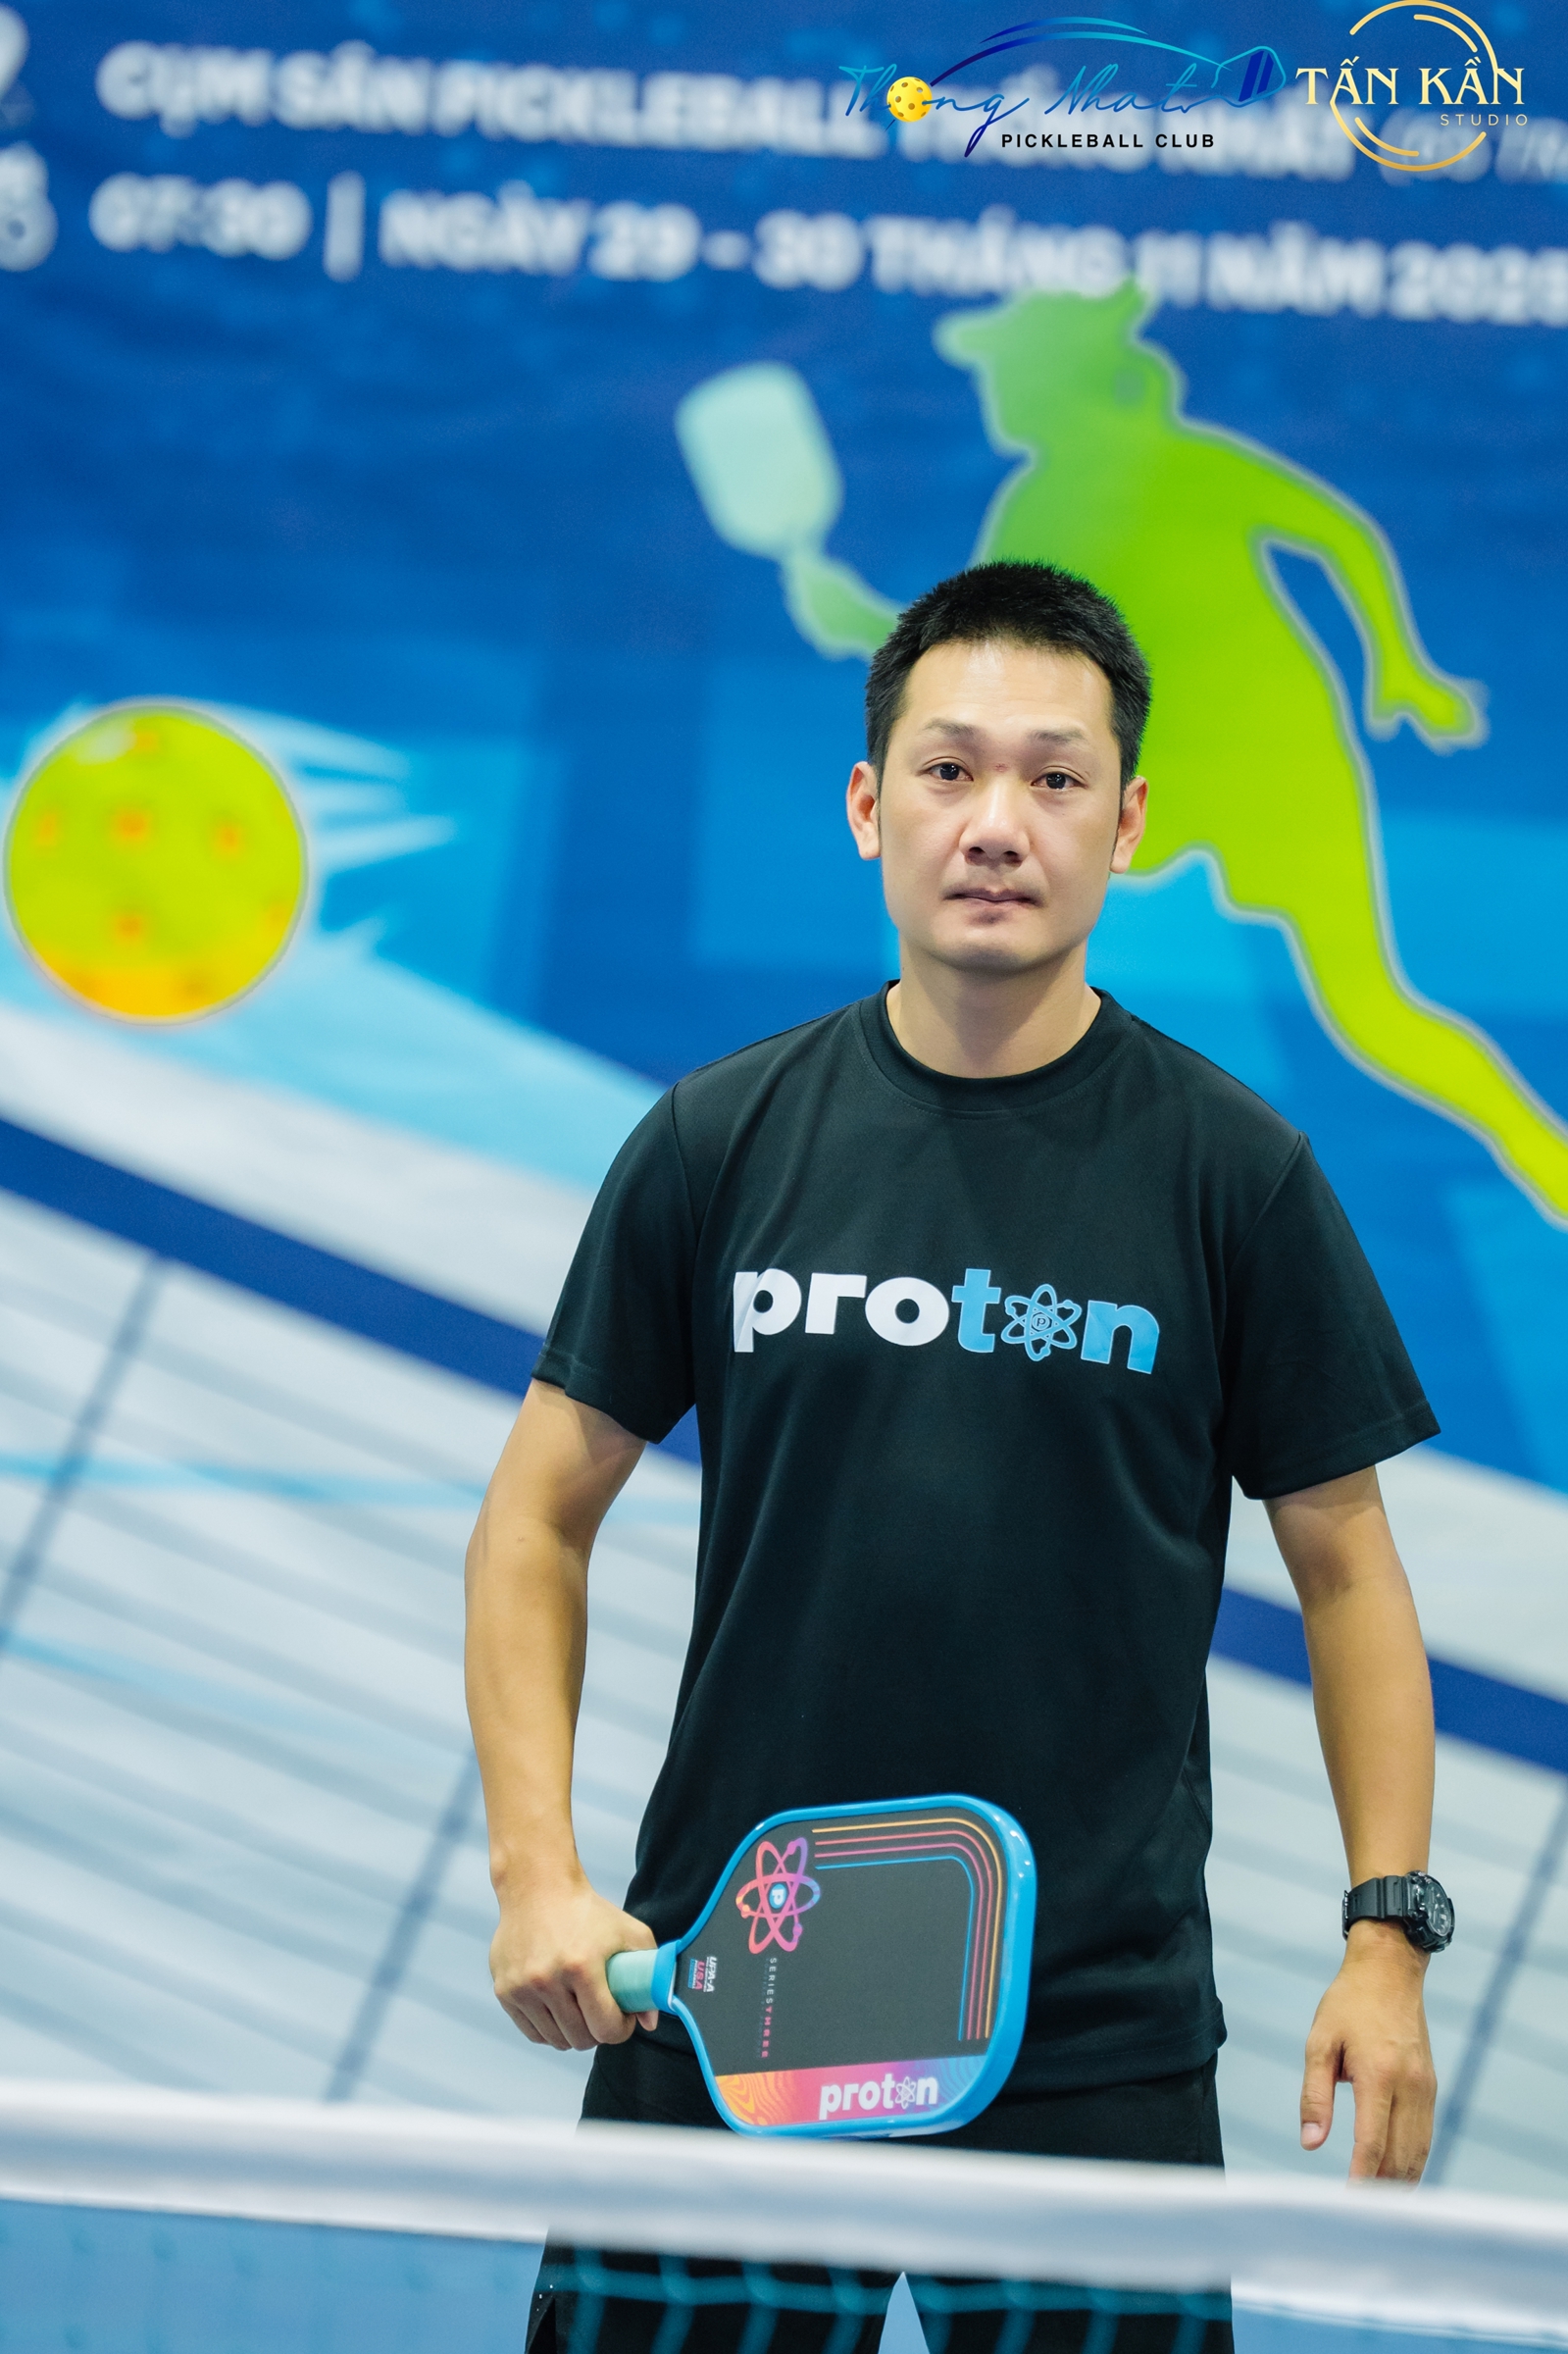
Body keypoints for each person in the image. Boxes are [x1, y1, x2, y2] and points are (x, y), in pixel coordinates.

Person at [465, 560, 1448, 2349]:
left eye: (1056, 777)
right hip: (738, 1999)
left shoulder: (1236, 1179)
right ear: (869, 806)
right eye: (950, 769)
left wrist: (1387, 1938)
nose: (998, 822)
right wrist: (538, 1870)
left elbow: (1350, 1572)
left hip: (1094, 2042)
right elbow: (536, 1517)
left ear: (1127, 823)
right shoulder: (715, 1141)